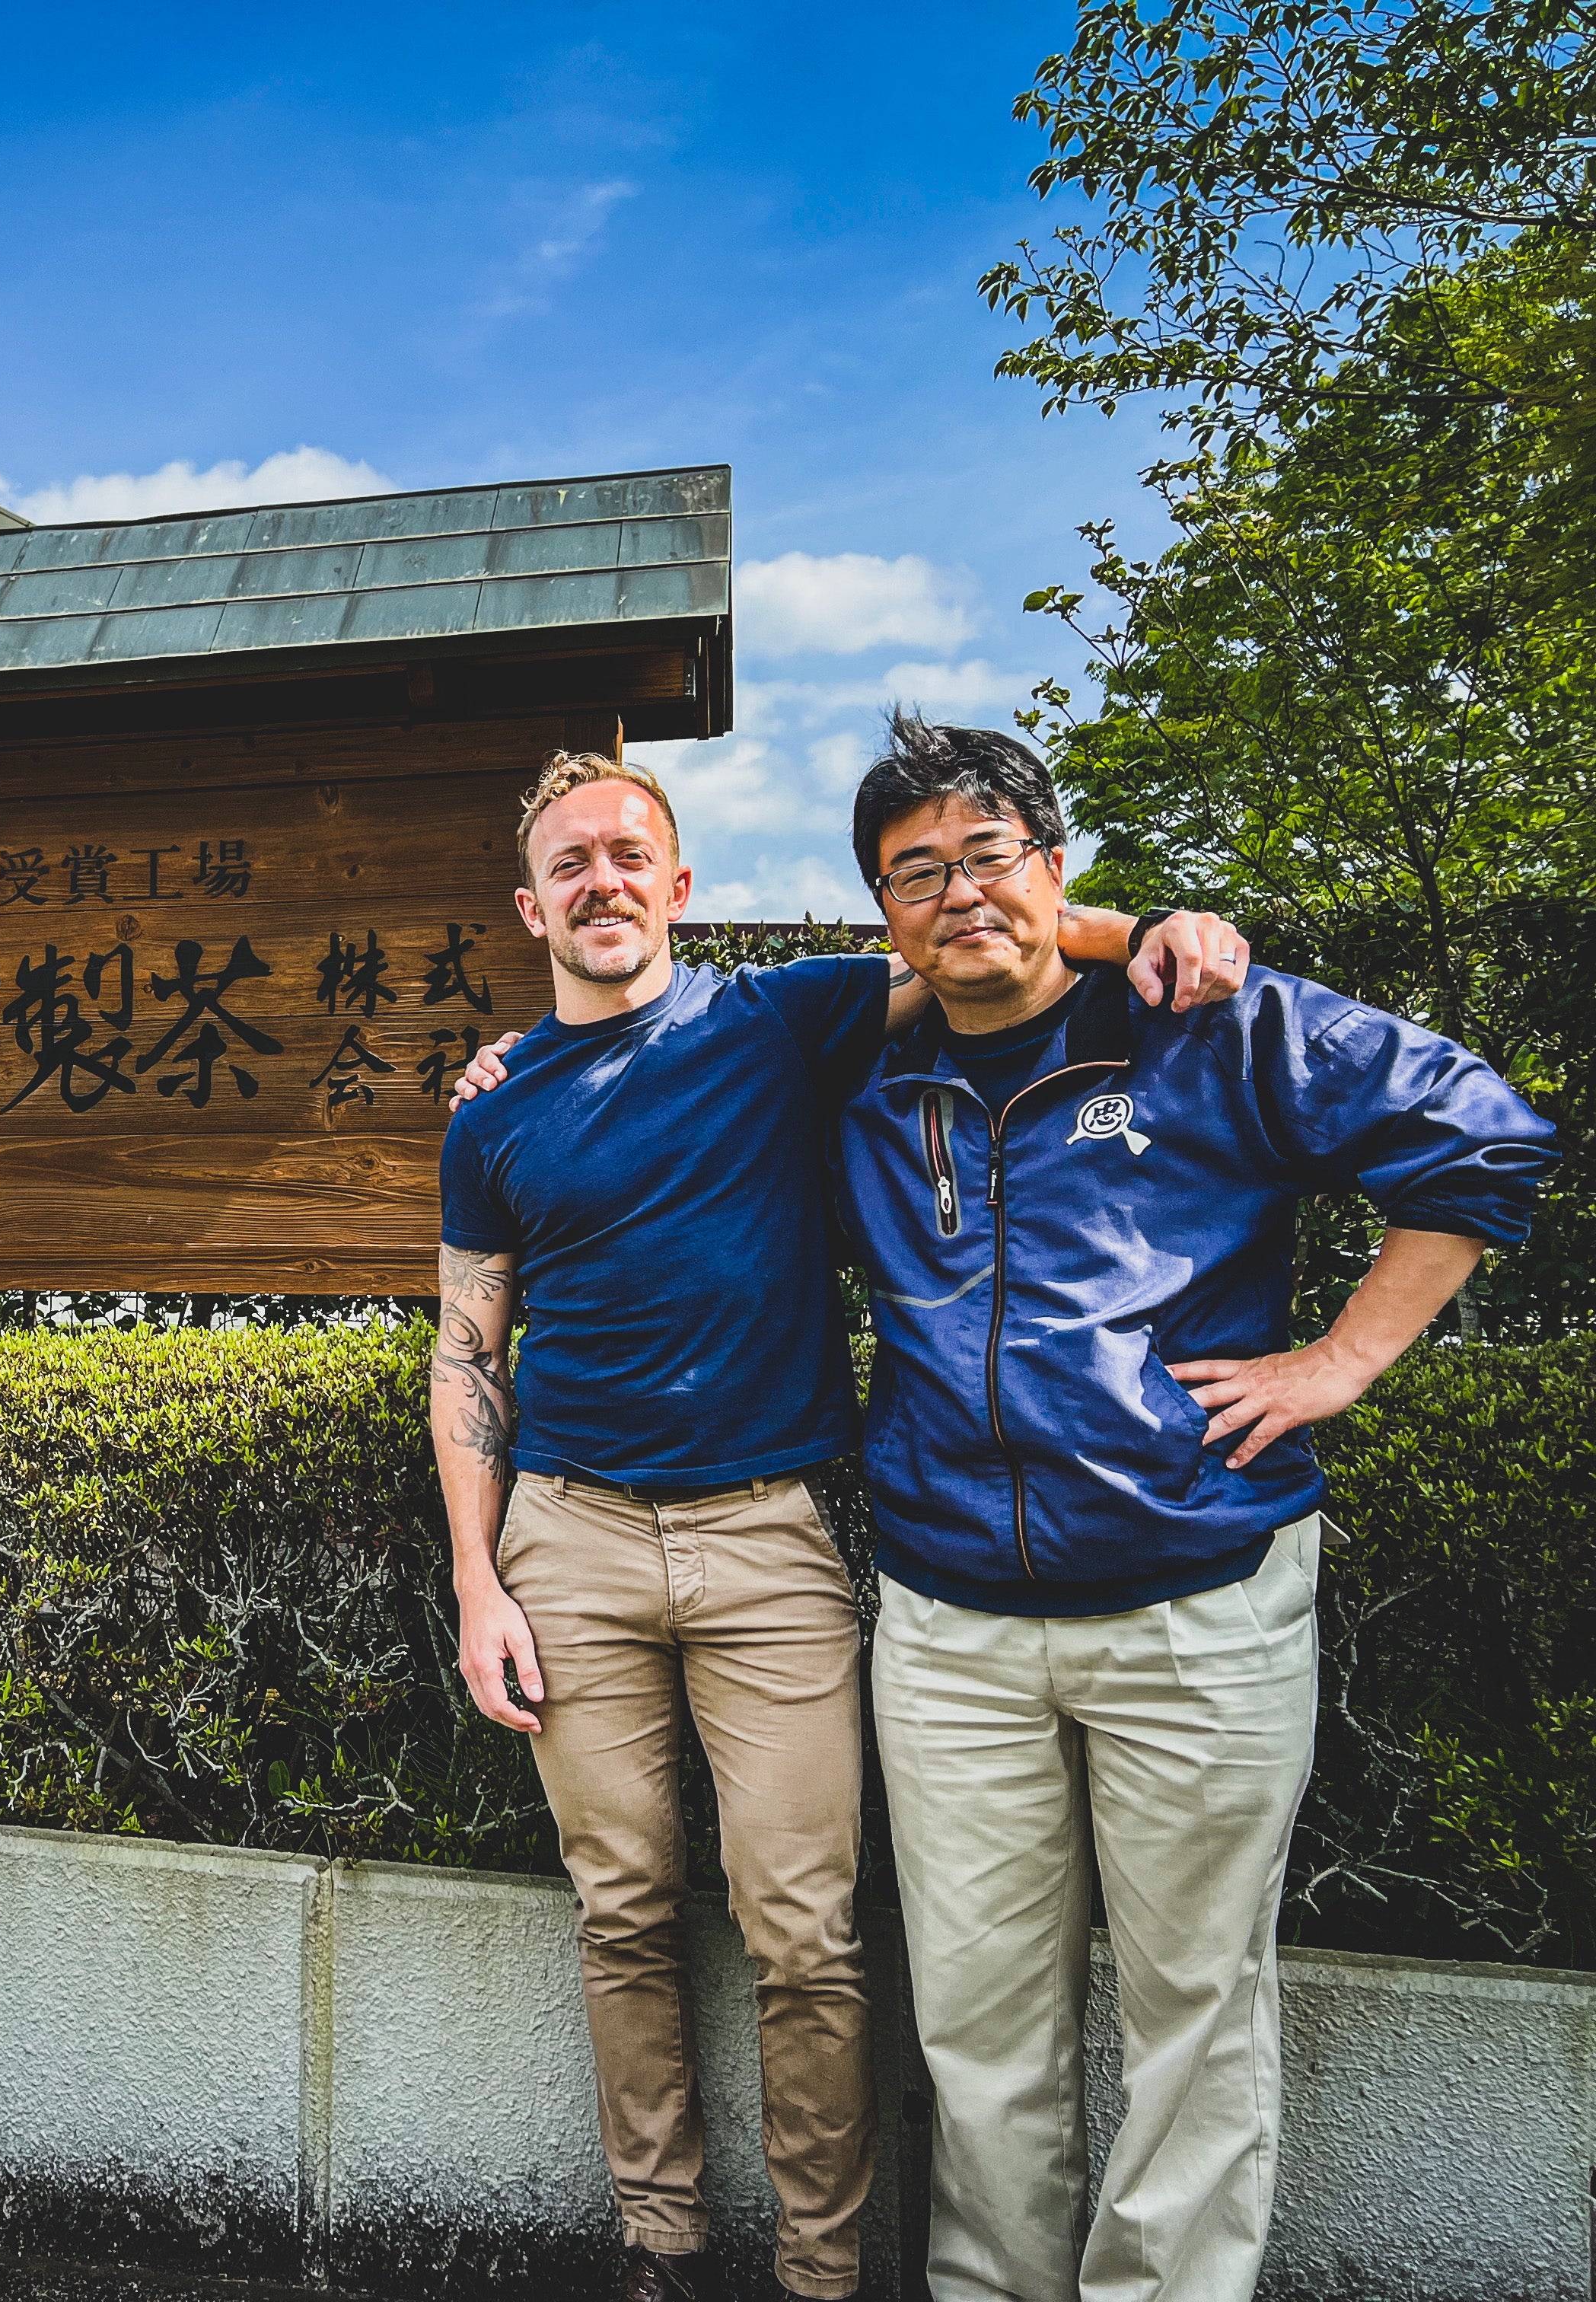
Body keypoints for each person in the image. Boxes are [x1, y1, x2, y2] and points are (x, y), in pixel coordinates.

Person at [431, 751, 1247, 2302]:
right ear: (531, 905)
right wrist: (479, 1576)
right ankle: (659, 2245)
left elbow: (982, 931)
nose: (603, 883)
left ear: (677, 888)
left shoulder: (777, 1019)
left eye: (630, 855)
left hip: (771, 1544)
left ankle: (822, 2271)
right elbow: (468, 1351)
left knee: (807, 1932)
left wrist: (1159, 931)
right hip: (569, 1541)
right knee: (621, 1911)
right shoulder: (493, 1109)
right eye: (571, 865)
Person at [835, 717, 1555, 2302]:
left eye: (989, 857)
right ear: (880, 911)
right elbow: (666, 1053)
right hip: (952, 1630)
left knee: (1193, 2022)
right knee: (974, 2028)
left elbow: (1485, 1136)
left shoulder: (1208, 1023)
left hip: (1196, 1607)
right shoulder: (865, 1071)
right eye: (914, 875)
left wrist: (1343, 1360)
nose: (957, 897)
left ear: (1056, 860)